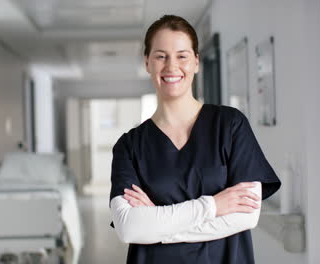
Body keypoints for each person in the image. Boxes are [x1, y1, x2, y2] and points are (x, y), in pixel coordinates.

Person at [109, 15, 281, 264]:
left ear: (196, 62)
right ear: (147, 62)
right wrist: (212, 206)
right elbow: (129, 228)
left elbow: (246, 216)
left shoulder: (230, 125)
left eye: (182, 56)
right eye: (161, 56)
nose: (171, 66)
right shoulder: (129, 146)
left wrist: (158, 225)